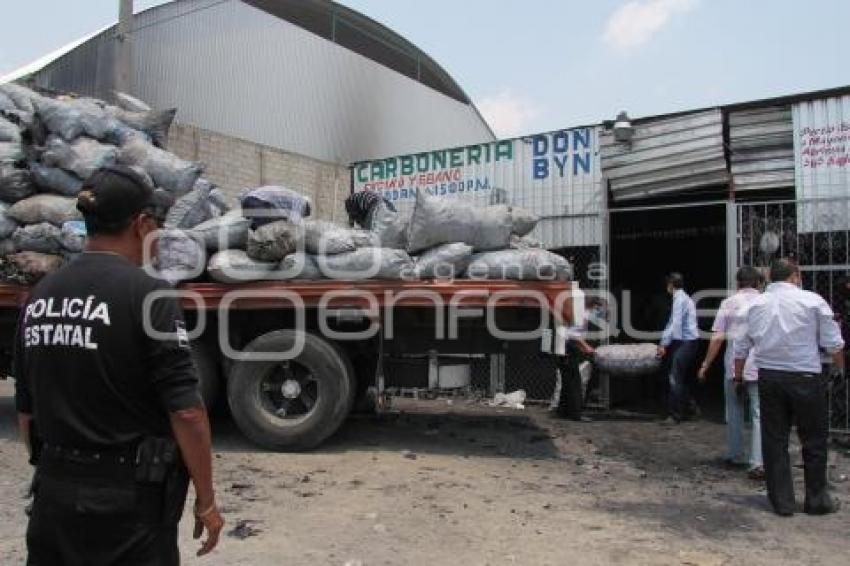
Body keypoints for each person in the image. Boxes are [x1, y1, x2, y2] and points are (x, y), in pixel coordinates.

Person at [13, 166, 224, 564]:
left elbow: (26, 414)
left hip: (53, 499)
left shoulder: (40, 296)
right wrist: (207, 501)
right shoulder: (148, 297)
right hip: (127, 509)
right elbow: (187, 410)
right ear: (142, 224)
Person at [734, 258, 844, 516]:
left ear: (771, 276)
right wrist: (840, 370)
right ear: (795, 276)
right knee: (814, 440)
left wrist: (738, 377)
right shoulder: (812, 301)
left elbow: (741, 347)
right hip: (806, 377)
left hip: (770, 377)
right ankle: (816, 500)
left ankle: (782, 502)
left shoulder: (756, 304)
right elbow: (834, 343)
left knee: (775, 440)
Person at [698, 266, 764, 479]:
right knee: (758, 413)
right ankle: (758, 461)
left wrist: (706, 364)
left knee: (734, 409)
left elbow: (717, 337)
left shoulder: (728, 303)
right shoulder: (766, 302)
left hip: (734, 364)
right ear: (758, 283)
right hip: (761, 364)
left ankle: (736, 454)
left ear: (738, 283)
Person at [657, 272, 700, 423]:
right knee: (679, 376)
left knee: (674, 377)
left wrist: (663, 344)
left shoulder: (679, 299)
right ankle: (690, 407)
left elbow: (674, 324)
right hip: (688, 342)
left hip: (686, 342)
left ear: (671, 285)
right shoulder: (683, 298)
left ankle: (675, 414)